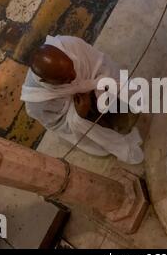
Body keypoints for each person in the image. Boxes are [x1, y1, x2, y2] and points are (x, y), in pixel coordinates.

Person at [20, 35, 144, 164]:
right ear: (45, 81)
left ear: (66, 55)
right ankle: (108, 125)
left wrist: (97, 89)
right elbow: (59, 125)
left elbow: (102, 64)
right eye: (64, 79)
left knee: (113, 86)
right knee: (83, 124)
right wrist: (80, 114)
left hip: (97, 90)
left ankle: (120, 110)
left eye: (72, 68)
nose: (74, 77)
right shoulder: (37, 101)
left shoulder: (71, 45)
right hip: (83, 112)